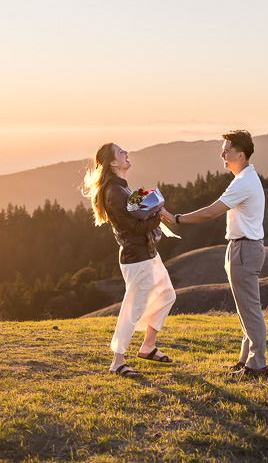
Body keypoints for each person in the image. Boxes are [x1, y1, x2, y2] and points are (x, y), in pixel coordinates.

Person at [161, 130, 268, 377]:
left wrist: (176, 218)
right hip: (242, 247)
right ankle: (246, 360)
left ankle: (257, 364)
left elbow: (211, 212)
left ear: (240, 154)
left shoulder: (243, 182)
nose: (222, 153)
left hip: (245, 249)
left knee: (250, 309)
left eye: (226, 150)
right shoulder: (245, 178)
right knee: (245, 309)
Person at [82, 142, 176, 378]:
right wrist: (157, 216)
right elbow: (133, 227)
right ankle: (117, 361)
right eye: (120, 152)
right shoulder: (113, 191)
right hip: (137, 256)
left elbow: (135, 217)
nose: (126, 153)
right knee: (133, 307)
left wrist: (151, 208)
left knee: (167, 294)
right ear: (113, 163)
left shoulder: (121, 187)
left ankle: (147, 347)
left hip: (147, 252)